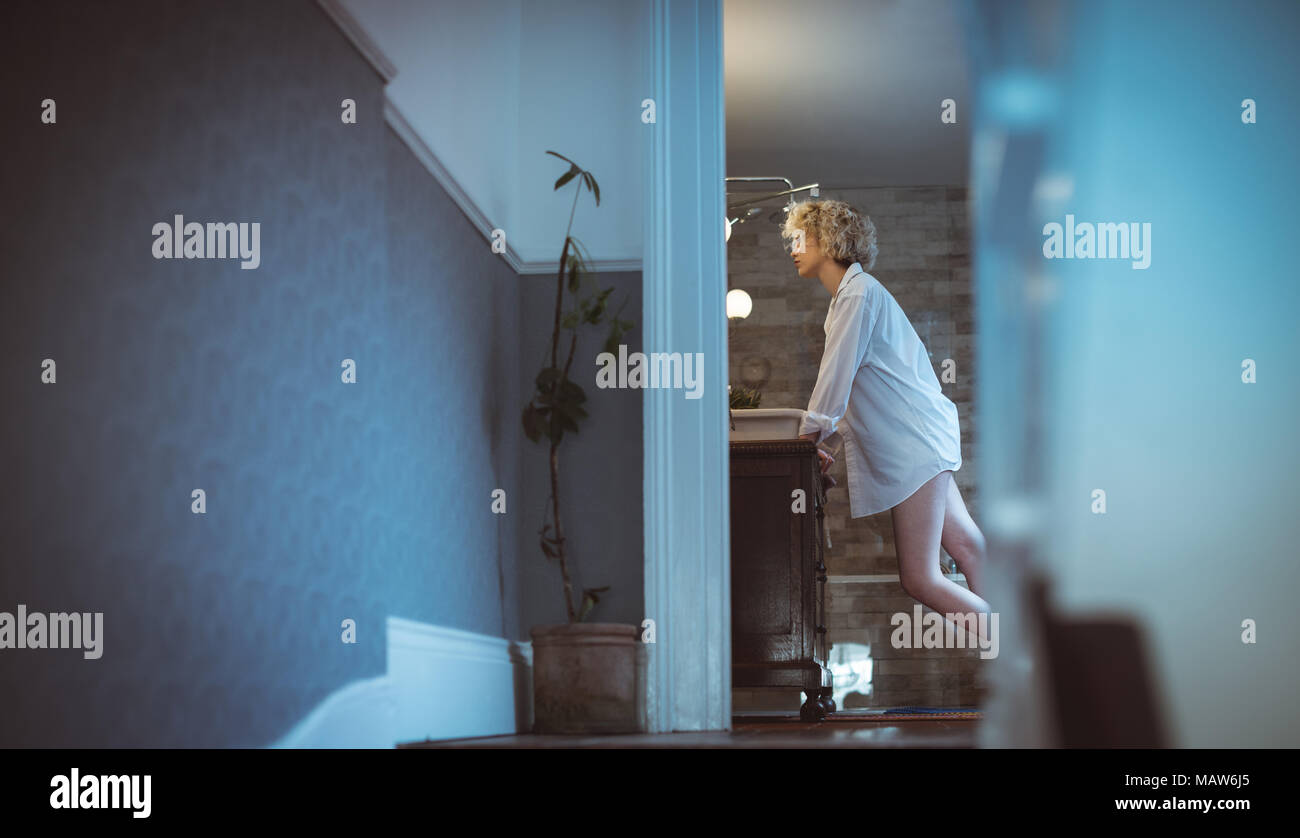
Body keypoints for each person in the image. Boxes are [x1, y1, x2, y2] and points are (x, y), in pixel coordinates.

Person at [782, 199, 992, 638]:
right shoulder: (855, 295)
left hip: (915, 444)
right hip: (922, 439)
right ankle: (1028, 659)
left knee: (920, 578)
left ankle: (1020, 658)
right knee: (969, 548)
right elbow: (855, 390)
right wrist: (824, 444)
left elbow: (835, 377)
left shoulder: (856, 295)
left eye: (799, 238)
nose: (793, 249)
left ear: (825, 239)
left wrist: (806, 441)